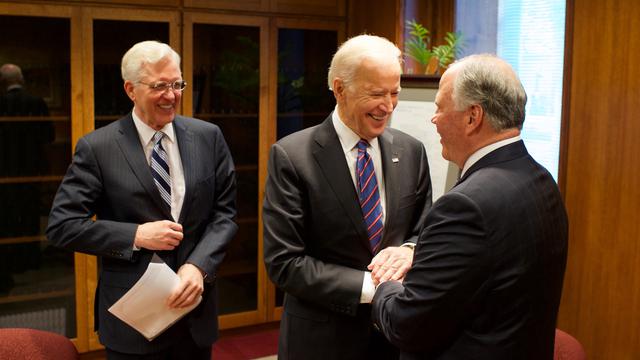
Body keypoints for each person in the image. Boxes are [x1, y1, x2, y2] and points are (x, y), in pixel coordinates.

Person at [46, 41, 237, 359]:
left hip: (195, 315)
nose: (172, 95)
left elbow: (225, 213)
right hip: (134, 320)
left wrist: (198, 266)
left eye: (177, 84)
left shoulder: (208, 137)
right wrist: (135, 235)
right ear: (130, 89)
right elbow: (62, 226)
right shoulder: (98, 148)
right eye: (160, 86)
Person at [372, 54, 568, 359]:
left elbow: (407, 325)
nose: (433, 118)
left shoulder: (464, 207)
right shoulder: (541, 179)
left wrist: (386, 283)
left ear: (472, 117)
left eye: (439, 107)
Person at [263, 34, 433, 359]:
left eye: (394, 92)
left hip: (395, 339)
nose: (389, 106)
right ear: (340, 89)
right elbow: (284, 263)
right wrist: (375, 288)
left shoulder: (411, 151)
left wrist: (410, 251)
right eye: (376, 93)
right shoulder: (292, 156)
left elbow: (425, 230)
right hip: (322, 341)